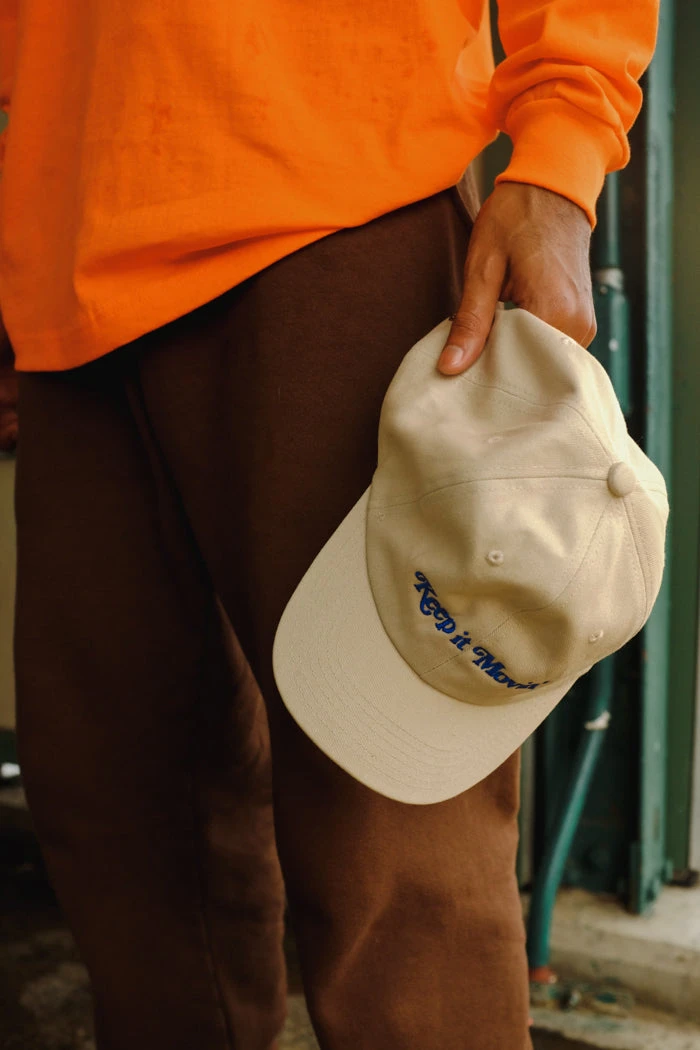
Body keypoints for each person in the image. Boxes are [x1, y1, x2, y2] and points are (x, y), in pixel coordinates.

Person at [0, 3, 658, 1049]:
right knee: (125, 835)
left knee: (396, 851)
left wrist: (563, 152)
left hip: (335, 195)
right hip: (68, 251)